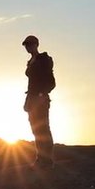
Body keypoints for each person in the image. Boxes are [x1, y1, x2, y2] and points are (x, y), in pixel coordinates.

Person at [22, 35, 56, 169]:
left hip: (40, 99)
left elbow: (51, 82)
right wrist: (29, 99)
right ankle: (40, 158)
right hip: (31, 98)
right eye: (26, 45)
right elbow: (31, 83)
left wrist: (42, 94)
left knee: (43, 129)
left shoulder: (44, 59)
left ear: (36, 44)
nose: (28, 47)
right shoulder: (30, 61)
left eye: (30, 44)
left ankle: (47, 160)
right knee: (36, 129)